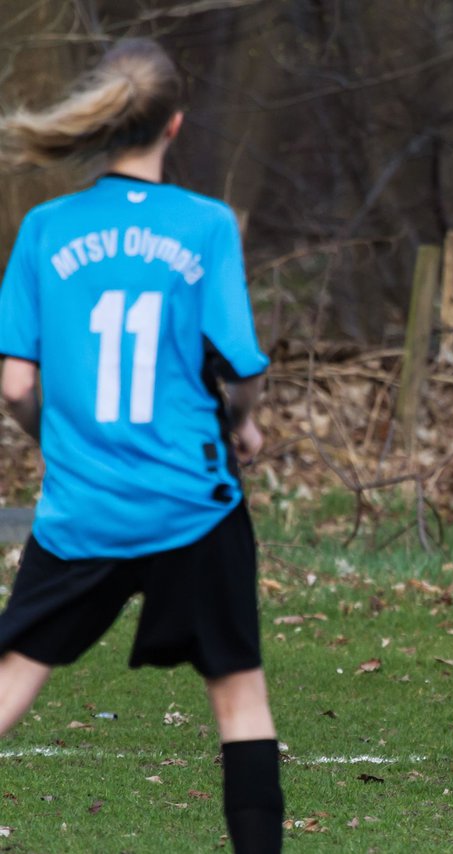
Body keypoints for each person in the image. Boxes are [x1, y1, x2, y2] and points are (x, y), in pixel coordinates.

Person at [0, 39, 282, 852]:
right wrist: (244, 421)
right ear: (176, 125)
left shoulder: (44, 227)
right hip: (190, 501)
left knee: (16, 675)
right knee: (237, 695)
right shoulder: (205, 225)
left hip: (81, 506)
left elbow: (17, 385)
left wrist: (62, 443)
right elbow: (241, 367)